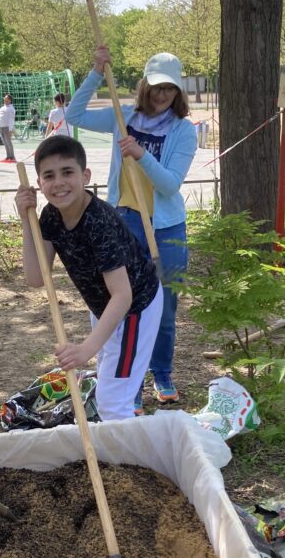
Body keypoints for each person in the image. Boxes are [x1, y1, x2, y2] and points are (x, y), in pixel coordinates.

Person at [65, 48, 197, 412]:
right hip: (124, 224)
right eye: (156, 87)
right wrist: (94, 73)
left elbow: (170, 185)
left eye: (169, 89)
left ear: (178, 92)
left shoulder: (184, 131)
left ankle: (163, 372)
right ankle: (130, 385)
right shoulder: (124, 117)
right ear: (144, 86)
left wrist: (141, 155)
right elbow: (73, 115)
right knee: (127, 307)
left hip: (166, 229)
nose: (161, 95)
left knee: (164, 307)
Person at [15, 135, 162, 421]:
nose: (58, 182)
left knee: (113, 400)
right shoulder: (51, 217)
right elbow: (35, 277)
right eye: (49, 176)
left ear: (85, 175)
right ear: (39, 183)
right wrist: (25, 220)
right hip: (104, 306)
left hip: (135, 310)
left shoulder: (99, 222)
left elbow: (123, 295)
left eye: (67, 172)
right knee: (110, 381)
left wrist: (85, 349)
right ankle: (119, 442)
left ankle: (126, 459)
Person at [0, 93, 16, 162]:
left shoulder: (11, 109)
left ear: (10, 100)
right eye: (4, 98)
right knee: (5, 142)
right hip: (1, 128)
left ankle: (12, 157)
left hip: (7, 128)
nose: (4, 99)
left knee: (9, 142)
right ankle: (8, 156)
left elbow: (11, 120)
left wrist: (10, 130)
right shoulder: (2, 108)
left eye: (6, 98)